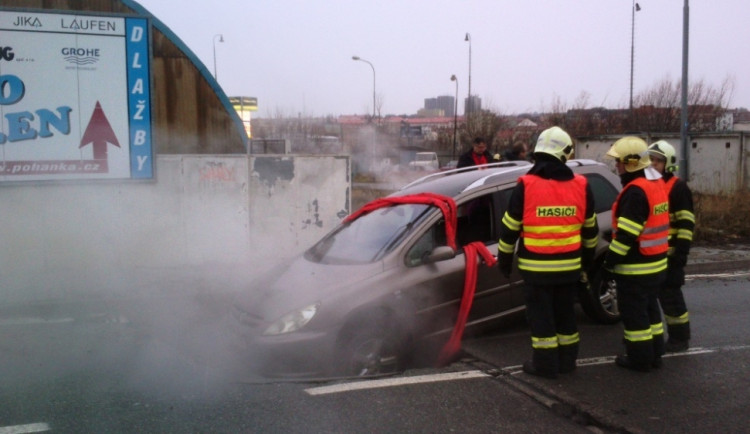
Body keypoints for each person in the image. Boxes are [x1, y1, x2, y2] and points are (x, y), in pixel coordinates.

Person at [497, 126, 599, 379]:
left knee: (542, 319)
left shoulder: (527, 185)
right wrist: (585, 263)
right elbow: (591, 232)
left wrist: (504, 262)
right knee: (566, 316)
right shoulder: (581, 185)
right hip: (569, 269)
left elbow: (509, 229)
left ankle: (545, 365)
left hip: (536, 272)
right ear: (565, 153)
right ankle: (567, 361)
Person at [603, 137, 669, 372]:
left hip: (636, 268)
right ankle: (655, 353)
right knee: (651, 311)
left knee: (635, 317)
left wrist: (609, 263)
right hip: (656, 263)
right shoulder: (656, 184)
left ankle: (639, 359)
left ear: (631, 163)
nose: (617, 166)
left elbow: (627, 236)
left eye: (619, 161)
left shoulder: (635, 192)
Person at [649, 140, 694, 352]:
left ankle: (680, 338)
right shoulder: (652, 185)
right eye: (651, 160)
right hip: (654, 255)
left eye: (657, 161)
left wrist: (681, 254)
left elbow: (686, 224)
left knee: (672, 300)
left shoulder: (677, 188)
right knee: (656, 298)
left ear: (668, 164)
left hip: (671, 254)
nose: (653, 164)